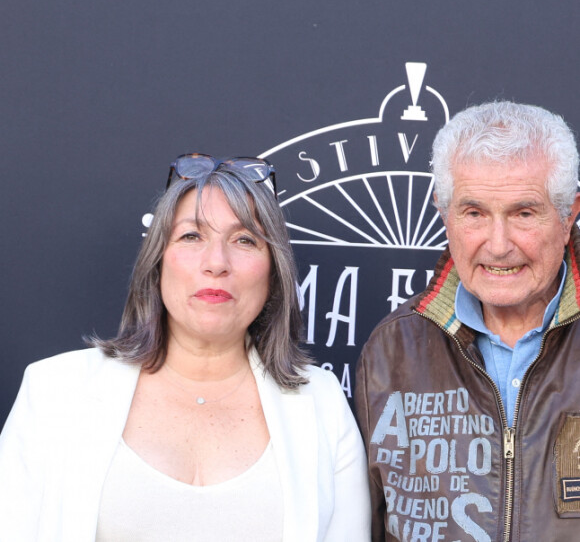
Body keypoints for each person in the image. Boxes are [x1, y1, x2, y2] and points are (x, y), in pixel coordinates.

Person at [0, 153, 371, 541]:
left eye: (245, 240)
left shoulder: (323, 405)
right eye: (192, 236)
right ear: (157, 260)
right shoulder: (53, 392)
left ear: (274, 271)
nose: (216, 262)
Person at [355, 102, 580, 542]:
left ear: (569, 214)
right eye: (474, 213)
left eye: (523, 213)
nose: (498, 246)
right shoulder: (391, 349)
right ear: (443, 211)